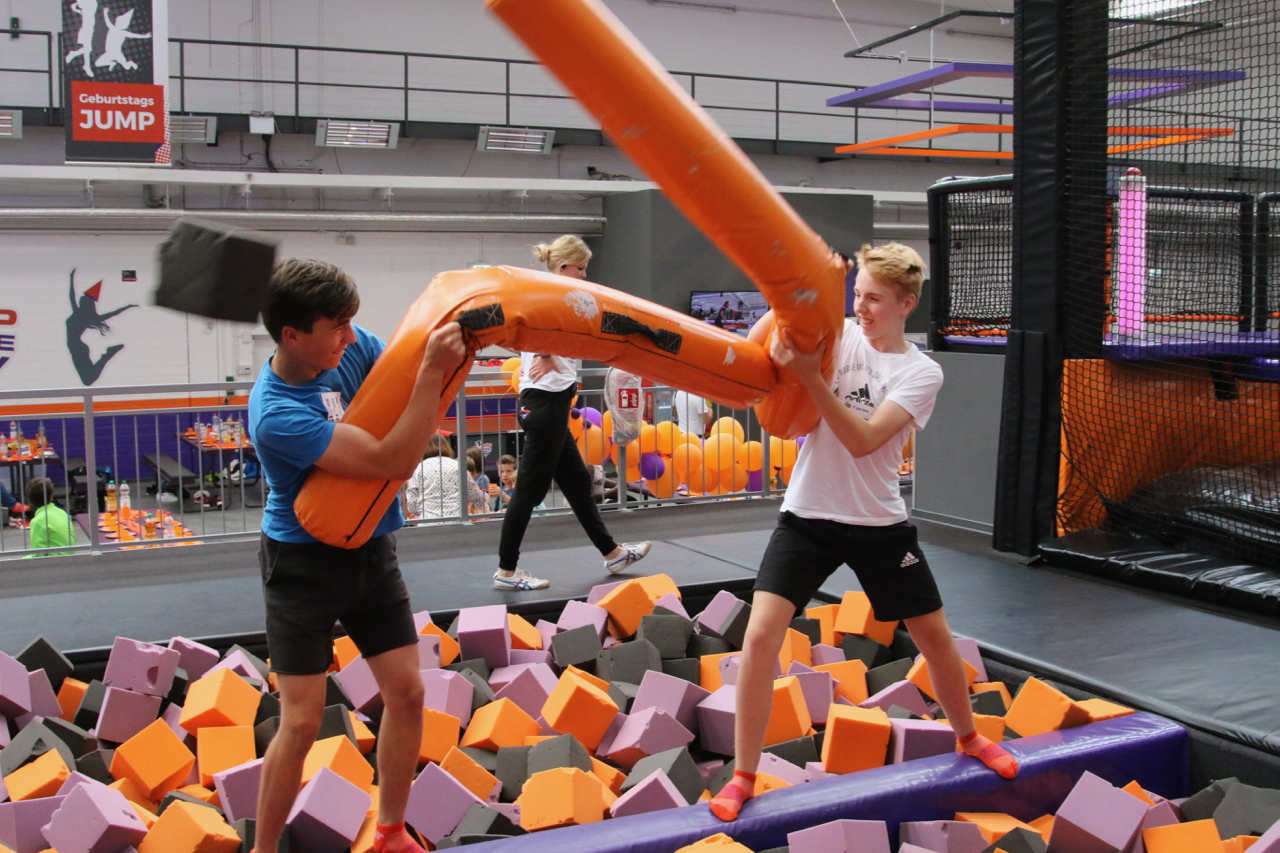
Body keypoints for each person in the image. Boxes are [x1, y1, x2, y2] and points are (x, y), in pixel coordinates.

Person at [708, 243, 1018, 823]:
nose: (862, 308)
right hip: (807, 516)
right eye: (857, 295)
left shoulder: (921, 371)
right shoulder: (841, 335)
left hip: (877, 524)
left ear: (906, 304)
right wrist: (809, 286)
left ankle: (970, 736)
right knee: (760, 637)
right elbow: (774, 332)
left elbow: (865, 440)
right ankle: (742, 775)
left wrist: (811, 380)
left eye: (874, 299)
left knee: (935, 638)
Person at [248, 257, 467, 853]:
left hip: (370, 548)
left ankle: (389, 832)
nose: (351, 337)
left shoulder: (349, 346)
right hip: (302, 565)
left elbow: (404, 369)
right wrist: (431, 375)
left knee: (409, 693)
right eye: (337, 327)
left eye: (351, 322)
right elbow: (393, 460)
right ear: (293, 335)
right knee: (300, 723)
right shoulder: (276, 414)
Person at [494, 236, 650, 591]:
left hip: (551, 405)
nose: (584, 275)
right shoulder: (548, 293)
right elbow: (522, 325)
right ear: (564, 266)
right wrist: (545, 351)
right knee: (528, 493)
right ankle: (506, 571)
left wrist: (545, 351)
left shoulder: (557, 293)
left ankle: (613, 554)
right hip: (545, 404)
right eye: (580, 268)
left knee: (578, 483)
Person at [404, 433, 486, 519]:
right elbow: (478, 499)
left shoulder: (418, 470)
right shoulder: (458, 466)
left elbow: (412, 507)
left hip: (428, 522)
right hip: (457, 521)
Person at [25, 478, 73, 555]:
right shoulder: (63, 513)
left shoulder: (37, 521)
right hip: (70, 558)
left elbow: (38, 554)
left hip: (53, 561)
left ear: (30, 499)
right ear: (51, 496)